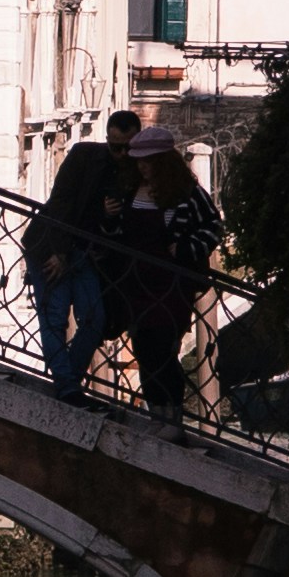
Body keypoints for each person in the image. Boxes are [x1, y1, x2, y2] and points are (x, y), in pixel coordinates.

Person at [109, 119, 221, 421]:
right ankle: (158, 415)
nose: (143, 167)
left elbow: (213, 225)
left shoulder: (186, 193)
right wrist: (109, 217)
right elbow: (118, 234)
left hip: (171, 286)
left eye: (149, 162)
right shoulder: (130, 190)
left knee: (163, 351)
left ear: (163, 162)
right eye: (140, 162)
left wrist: (186, 248)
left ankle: (173, 418)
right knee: (143, 351)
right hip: (136, 285)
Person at [25, 125, 130, 394]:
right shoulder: (84, 155)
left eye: (127, 148)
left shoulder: (134, 169)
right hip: (51, 247)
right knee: (55, 317)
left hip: (84, 252)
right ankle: (67, 383)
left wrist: (106, 216)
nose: (122, 153)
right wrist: (59, 253)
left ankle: (68, 382)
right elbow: (61, 203)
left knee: (95, 318)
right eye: (116, 147)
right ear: (108, 141)